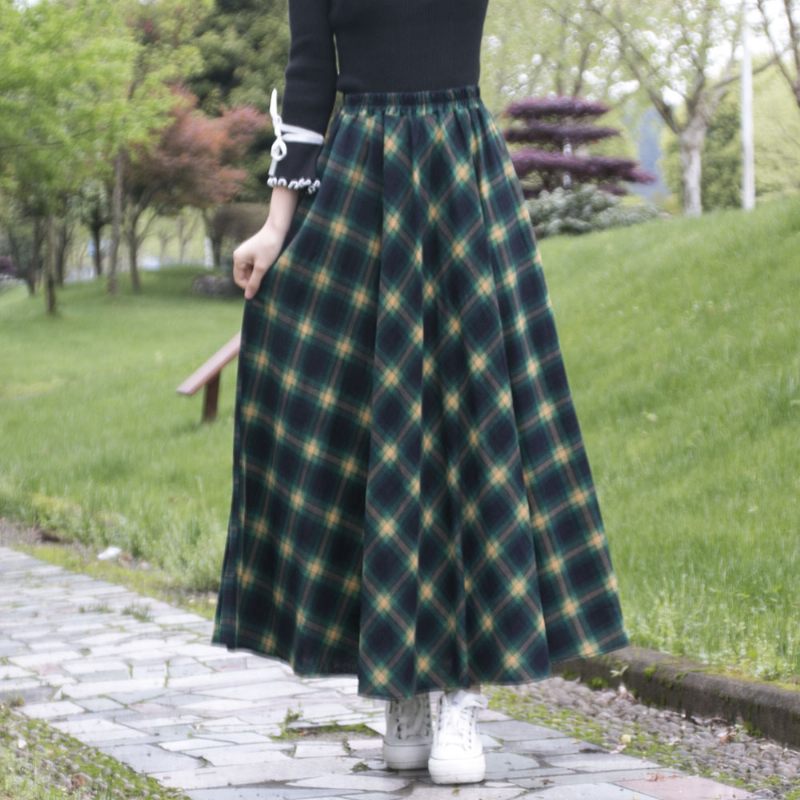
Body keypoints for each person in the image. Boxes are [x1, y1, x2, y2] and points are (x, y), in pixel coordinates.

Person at [211, 0, 630, 786]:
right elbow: (308, 84)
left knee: (470, 429)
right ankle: (401, 682)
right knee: (372, 431)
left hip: (459, 181)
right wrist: (274, 228)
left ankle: (462, 693)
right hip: (361, 180)